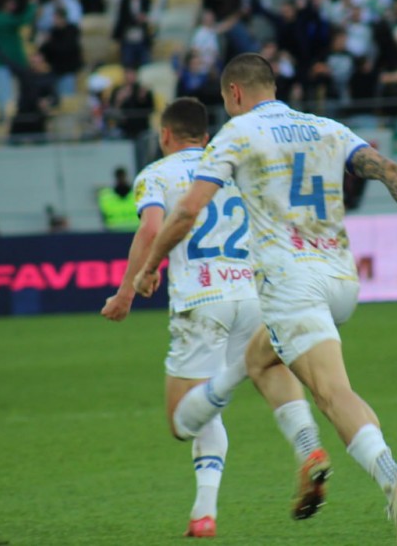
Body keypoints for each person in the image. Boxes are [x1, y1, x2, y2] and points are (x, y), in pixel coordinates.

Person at [134, 54, 397, 546]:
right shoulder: (324, 126)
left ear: (234, 93)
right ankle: (305, 452)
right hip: (340, 279)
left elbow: (187, 211)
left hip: (292, 283)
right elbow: (389, 169)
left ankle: (393, 479)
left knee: (332, 393)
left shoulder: (238, 133)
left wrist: (150, 265)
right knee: (261, 358)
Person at [100, 98, 273, 538]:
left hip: (203, 301)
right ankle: (203, 512)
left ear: (164, 135)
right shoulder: (232, 168)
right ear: (206, 136)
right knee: (209, 405)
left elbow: (151, 229)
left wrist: (128, 290)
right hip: (251, 297)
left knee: (184, 418)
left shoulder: (157, 174)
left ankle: (229, 382)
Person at [97, 166, 141, 232]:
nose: (121, 179)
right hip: (114, 233)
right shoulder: (105, 196)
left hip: (135, 232)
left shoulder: (138, 194)